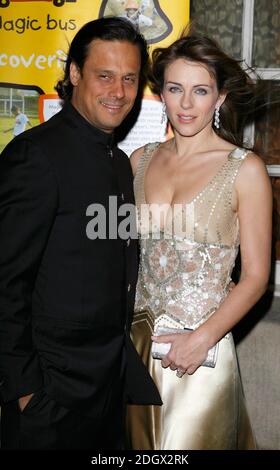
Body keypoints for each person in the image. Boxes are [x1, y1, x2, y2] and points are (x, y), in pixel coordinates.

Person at [0, 17, 161, 450]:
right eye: (104, 76)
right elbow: (6, 283)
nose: (119, 92)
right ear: (74, 74)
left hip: (107, 389)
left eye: (129, 78)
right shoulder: (35, 156)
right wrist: (24, 391)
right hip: (51, 398)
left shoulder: (117, 161)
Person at [126, 33, 272, 449]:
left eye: (200, 90)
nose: (186, 104)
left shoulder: (245, 171)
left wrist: (201, 339)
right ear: (162, 94)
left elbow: (257, 277)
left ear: (220, 97)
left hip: (199, 354)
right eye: (175, 89)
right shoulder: (141, 160)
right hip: (135, 349)